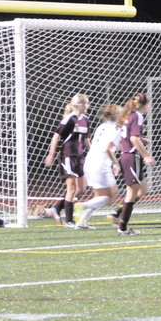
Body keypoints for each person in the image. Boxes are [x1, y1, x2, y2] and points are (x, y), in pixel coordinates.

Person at [73, 104, 124, 229]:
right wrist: (116, 163)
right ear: (117, 115)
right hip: (100, 165)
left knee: (99, 196)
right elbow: (108, 149)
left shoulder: (102, 126)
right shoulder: (115, 130)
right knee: (110, 197)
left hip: (90, 161)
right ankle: (82, 206)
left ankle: (82, 222)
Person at [44, 94, 91, 228]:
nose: (89, 105)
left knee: (81, 189)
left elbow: (86, 140)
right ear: (80, 105)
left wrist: (93, 154)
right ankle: (69, 221)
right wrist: (51, 154)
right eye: (87, 103)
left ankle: (57, 208)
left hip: (79, 157)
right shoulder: (69, 119)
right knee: (72, 188)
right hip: (68, 156)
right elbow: (56, 136)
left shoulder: (86, 120)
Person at [116, 93, 156, 235]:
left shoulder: (129, 115)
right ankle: (122, 227)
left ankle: (119, 218)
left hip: (127, 156)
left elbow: (128, 136)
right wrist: (146, 156)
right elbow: (133, 138)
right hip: (132, 157)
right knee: (131, 194)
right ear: (145, 105)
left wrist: (141, 139)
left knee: (140, 190)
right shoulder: (137, 116)